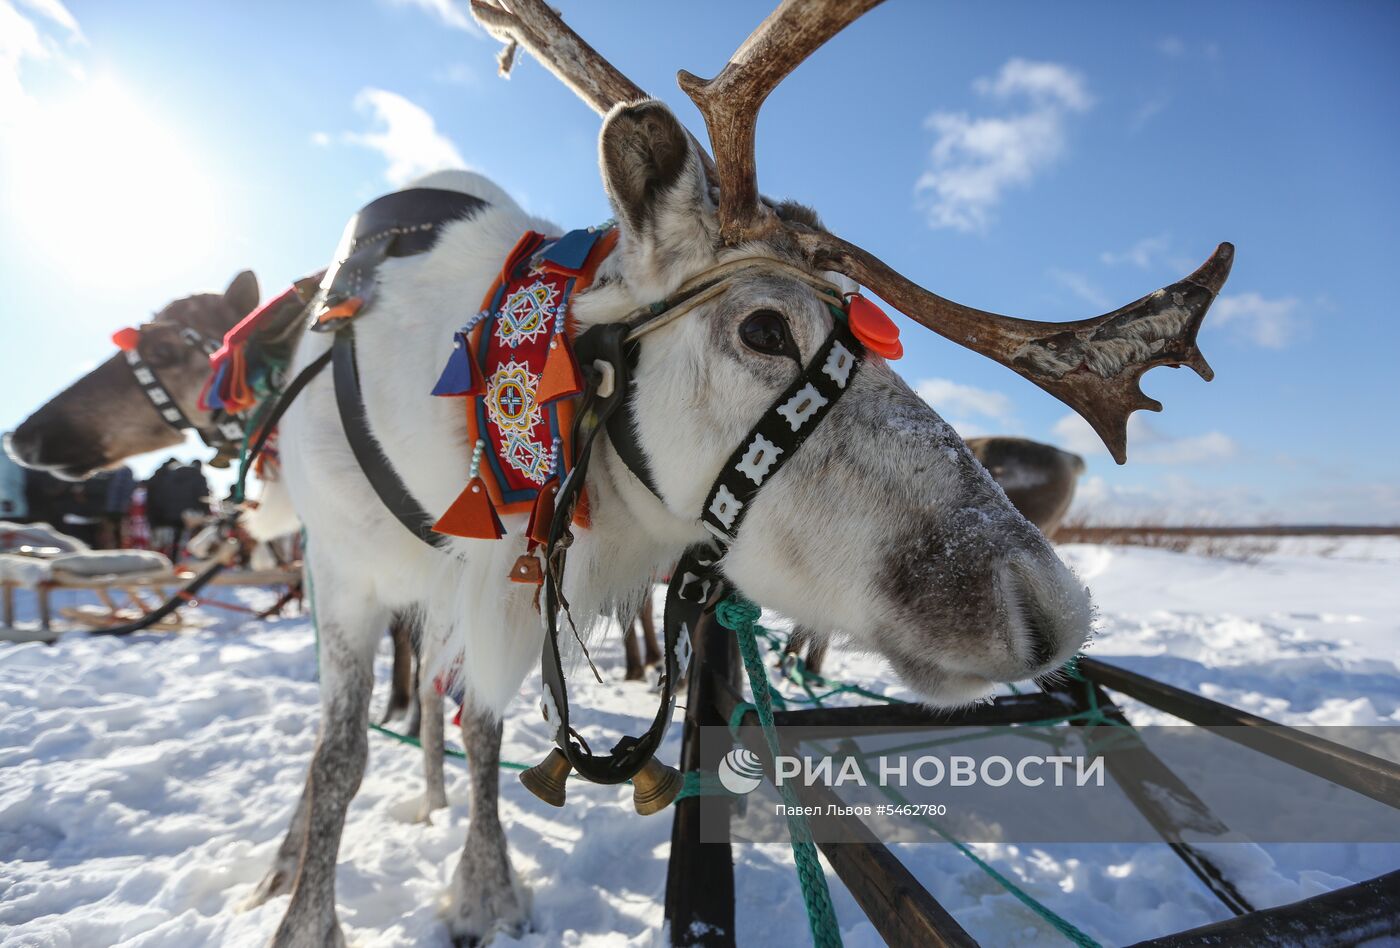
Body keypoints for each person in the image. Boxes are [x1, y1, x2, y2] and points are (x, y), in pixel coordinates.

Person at [0, 442, 26, 521]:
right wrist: (7, 501)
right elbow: (3, 484)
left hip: (10, 506)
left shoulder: (8, 458)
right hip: (9, 508)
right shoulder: (7, 459)